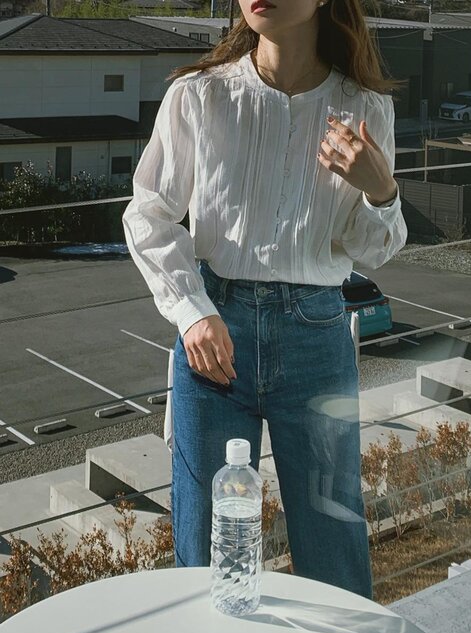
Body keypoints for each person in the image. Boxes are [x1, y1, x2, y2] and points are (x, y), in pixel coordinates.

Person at [122, 0, 408, 599]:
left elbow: (372, 249)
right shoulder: (199, 96)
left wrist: (381, 191)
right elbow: (148, 213)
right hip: (213, 340)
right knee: (203, 550)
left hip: (316, 339)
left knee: (333, 542)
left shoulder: (363, 109)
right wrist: (192, 313)